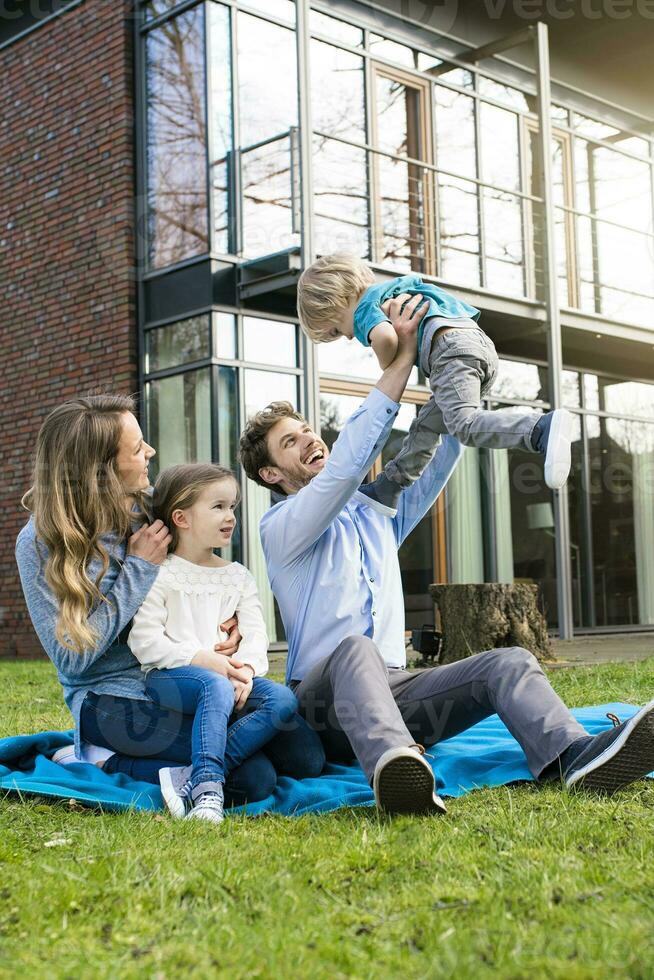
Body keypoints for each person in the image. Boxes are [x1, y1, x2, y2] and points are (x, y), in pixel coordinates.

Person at [240, 292, 654, 815]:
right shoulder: (280, 527)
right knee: (354, 649)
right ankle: (395, 768)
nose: (309, 440)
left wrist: (456, 370)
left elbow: (438, 454)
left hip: (398, 690)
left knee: (509, 661)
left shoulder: (372, 515)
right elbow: (346, 467)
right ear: (272, 475)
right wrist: (400, 359)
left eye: (306, 431)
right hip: (324, 708)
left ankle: (575, 758)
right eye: (289, 443)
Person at [14, 394, 319, 812]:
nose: (150, 453)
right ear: (102, 471)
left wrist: (223, 626)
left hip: (187, 679)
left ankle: (199, 768)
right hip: (113, 702)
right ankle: (103, 758)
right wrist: (138, 567)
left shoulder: (153, 507)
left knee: (304, 758)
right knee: (255, 777)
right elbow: (72, 659)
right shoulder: (40, 542)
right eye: (138, 449)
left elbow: (196, 574)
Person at [126, 462, 325, 823]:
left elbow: (255, 634)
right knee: (215, 688)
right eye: (218, 507)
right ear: (182, 518)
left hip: (231, 679)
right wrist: (205, 660)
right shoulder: (161, 573)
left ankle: (193, 774)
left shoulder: (238, 576)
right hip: (173, 677)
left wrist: (246, 669)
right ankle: (208, 789)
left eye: (232, 506)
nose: (229, 515)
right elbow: (144, 641)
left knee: (293, 725)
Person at [297, 253, 573, 506]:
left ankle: (538, 429)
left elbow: (385, 337)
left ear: (334, 301)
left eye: (335, 329)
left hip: (449, 350)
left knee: (464, 425)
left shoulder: (365, 307)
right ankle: (390, 486)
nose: (346, 336)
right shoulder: (394, 287)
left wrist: (387, 363)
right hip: (474, 345)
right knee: (426, 426)